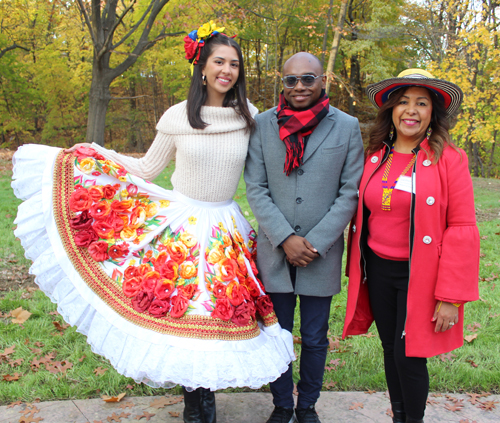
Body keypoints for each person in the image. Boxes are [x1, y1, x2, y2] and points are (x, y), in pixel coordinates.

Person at [12, 21, 294, 423]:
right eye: (219, 62)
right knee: (182, 312)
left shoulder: (250, 116)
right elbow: (146, 167)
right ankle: (194, 405)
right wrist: (95, 152)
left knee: (213, 316)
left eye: (234, 64)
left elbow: (266, 169)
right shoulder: (178, 116)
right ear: (202, 66)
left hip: (224, 228)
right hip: (181, 223)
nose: (226, 71)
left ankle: (206, 396)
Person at [342, 69, 480, 423]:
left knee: (410, 354)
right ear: (391, 109)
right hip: (379, 270)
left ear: (433, 112)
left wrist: (451, 296)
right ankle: (399, 416)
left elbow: (462, 228)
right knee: (390, 349)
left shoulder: (450, 159)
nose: (411, 110)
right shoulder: (375, 154)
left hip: (420, 274)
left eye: (421, 103)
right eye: (403, 102)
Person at [244, 52, 364, 423]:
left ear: (322, 80)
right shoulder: (262, 125)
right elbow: (256, 187)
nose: (299, 87)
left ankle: (307, 406)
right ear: (283, 82)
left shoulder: (346, 126)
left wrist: (314, 242)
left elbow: (350, 192)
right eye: (291, 80)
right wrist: (284, 238)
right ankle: (281, 406)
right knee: (277, 334)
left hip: (320, 254)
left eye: (307, 79)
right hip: (275, 251)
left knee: (314, 337)